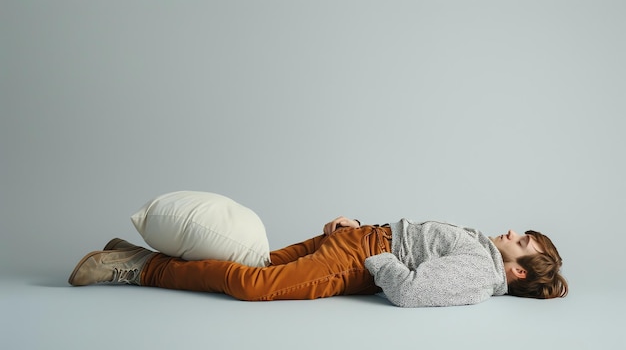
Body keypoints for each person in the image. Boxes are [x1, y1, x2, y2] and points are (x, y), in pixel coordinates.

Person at [68, 216, 568, 307]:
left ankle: (140, 260)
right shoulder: (481, 248)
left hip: (362, 253)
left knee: (255, 272)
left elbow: (412, 290)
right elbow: (412, 246)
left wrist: (372, 251)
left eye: (523, 242)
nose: (512, 234)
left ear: (517, 272)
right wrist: (362, 231)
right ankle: (142, 267)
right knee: (254, 278)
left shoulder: (482, 273)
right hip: (361, 245)